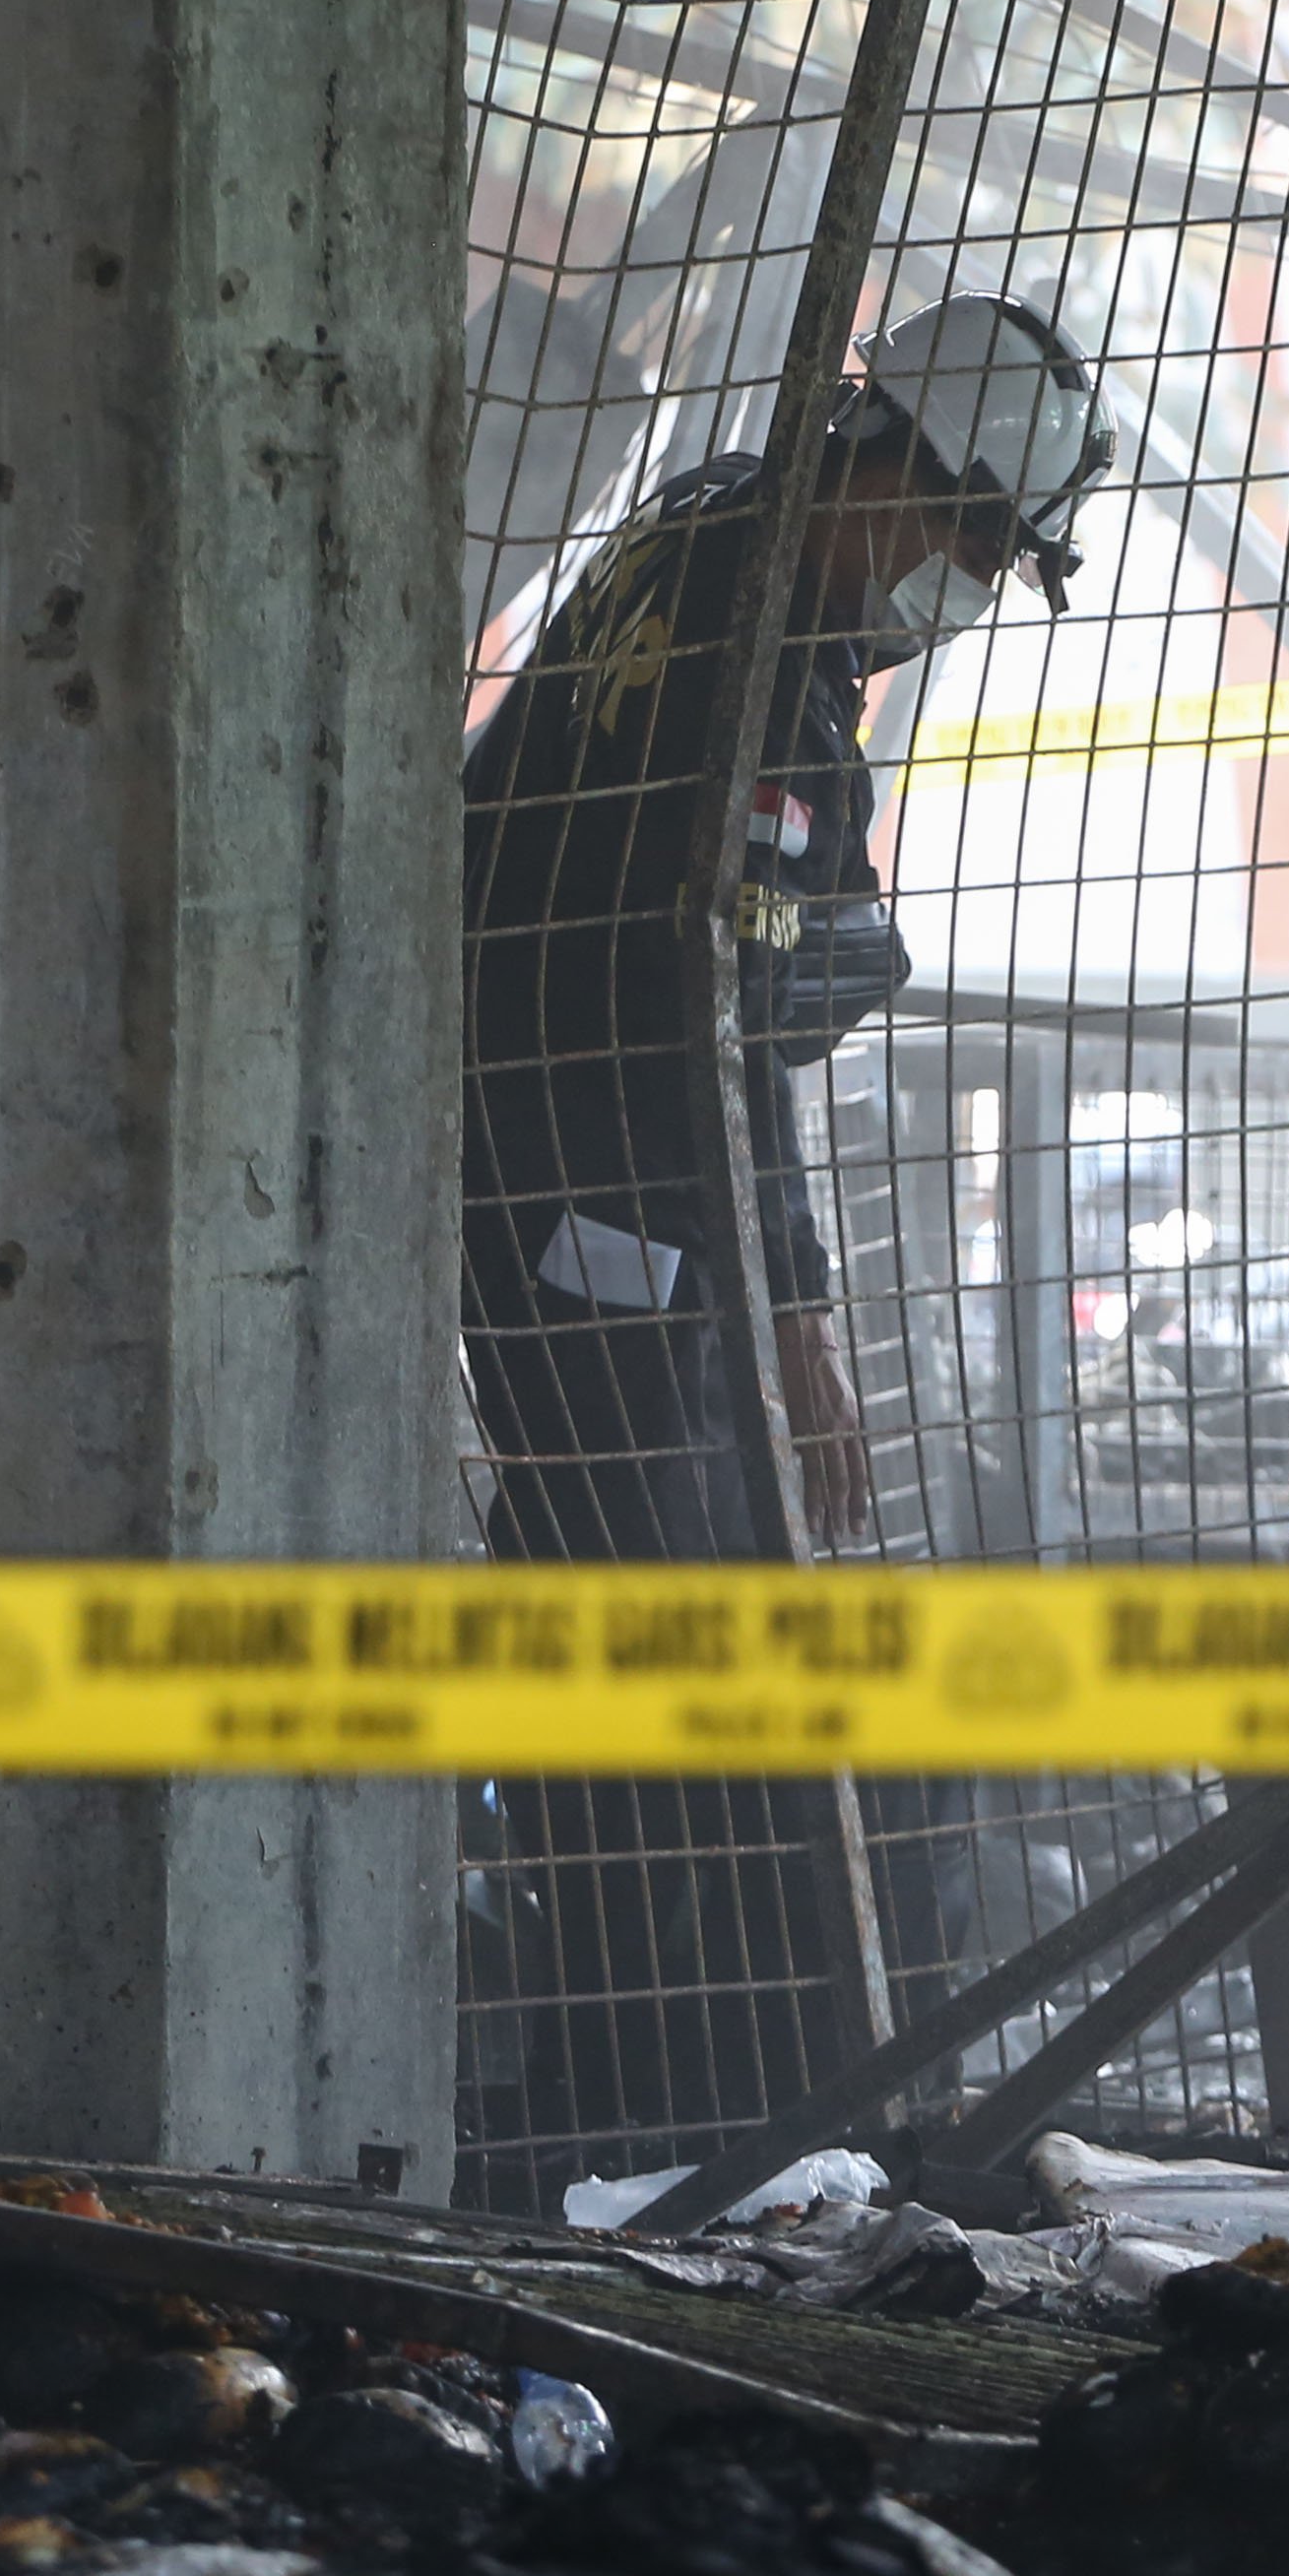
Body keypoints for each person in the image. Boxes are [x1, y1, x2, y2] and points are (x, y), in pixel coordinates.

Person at [461, 291, 1112, 2112]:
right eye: (971, 535)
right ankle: (636, 2091)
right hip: (600, 1188)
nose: (969, 582)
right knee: (638, 1636)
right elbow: (720, 1040)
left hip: (526, 1146)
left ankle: (628, 2066)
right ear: (895, 457)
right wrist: (799, 1319)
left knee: (619, 1599)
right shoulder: (770, 683)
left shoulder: (711, 519)